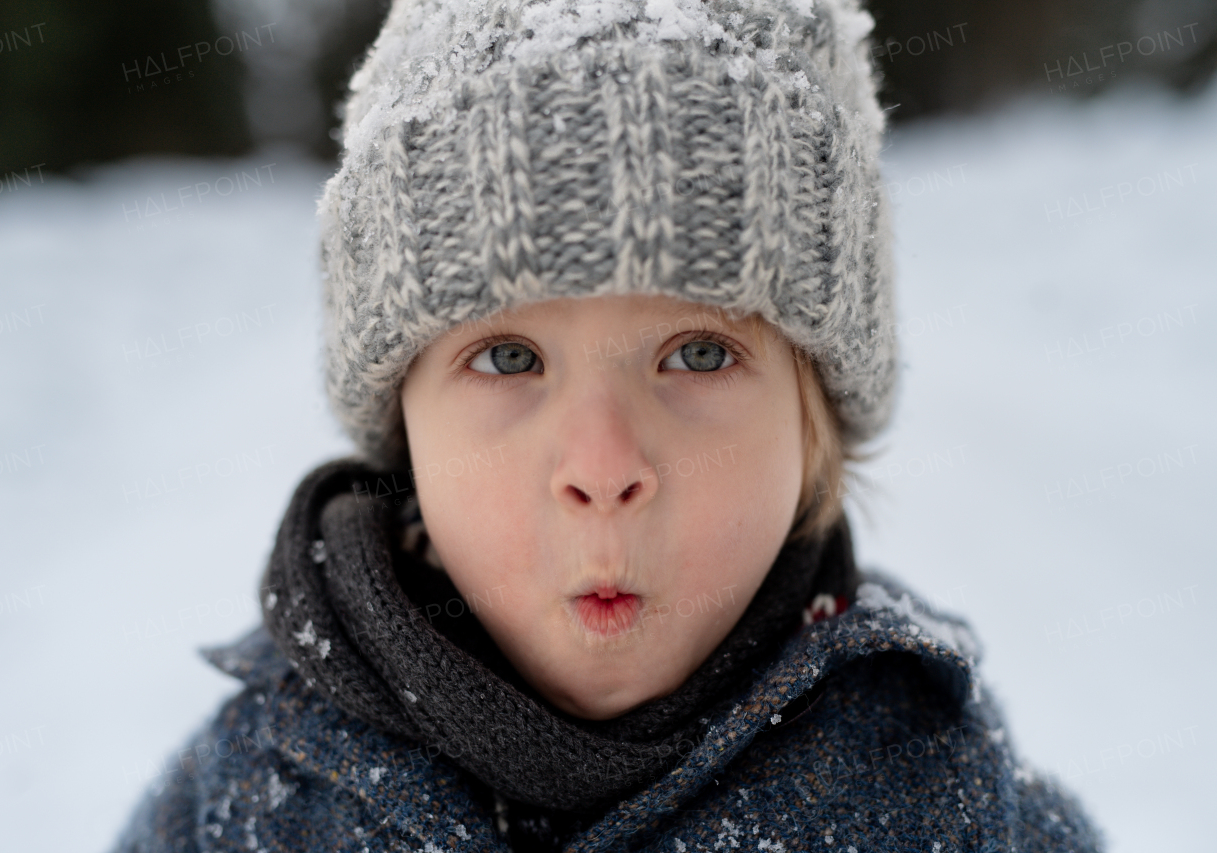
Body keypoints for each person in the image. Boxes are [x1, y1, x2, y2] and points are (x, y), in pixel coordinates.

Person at [112, 0, 1102, 849]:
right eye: (507, 358)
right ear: (401, 423)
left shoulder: (935, 794)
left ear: (814, 425)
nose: (601, 467)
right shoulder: (248, 801)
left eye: (698, 354)